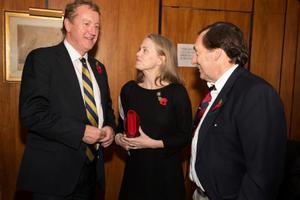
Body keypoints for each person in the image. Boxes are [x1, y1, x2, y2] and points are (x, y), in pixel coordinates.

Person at [17, 0, 116, 199]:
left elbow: (107, 109)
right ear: (68, 24)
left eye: (97, 26)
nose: (93, 31)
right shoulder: (42, 59)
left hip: (91, 177)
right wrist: (80, 131)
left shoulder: (99, 69)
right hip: (52, 178)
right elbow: (31, 114)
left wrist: (110, 129)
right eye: (86, 23)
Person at [189, 21, 287, 200]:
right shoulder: (217, 91)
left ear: (217, 54)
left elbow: (262, 174)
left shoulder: (256, 94)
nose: (193, 60)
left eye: (197, 52)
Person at [115, 33, 193, 200]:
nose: (138, 53)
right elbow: (119, 128)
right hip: (135, 174)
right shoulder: (128, 90)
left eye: (145, 50)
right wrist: (119, 139)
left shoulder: (176, 92)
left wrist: (153, 143)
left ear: (161, 59)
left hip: (166, 176)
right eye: (139, 49)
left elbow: (186, 136)